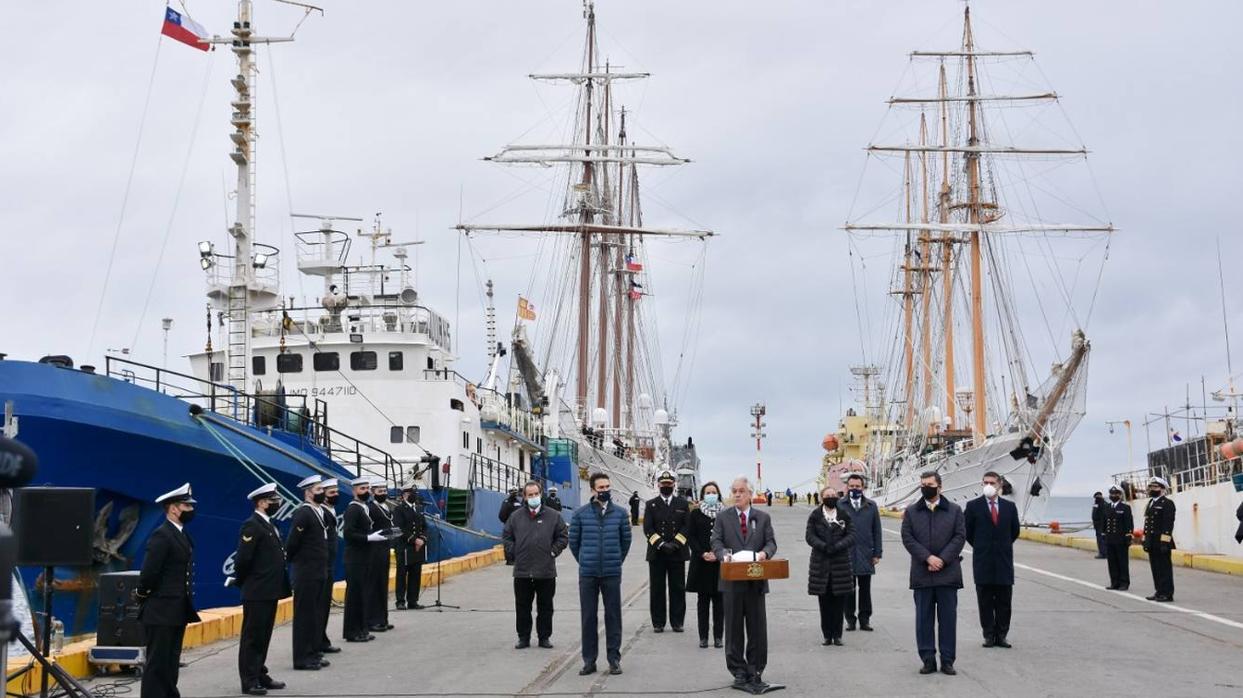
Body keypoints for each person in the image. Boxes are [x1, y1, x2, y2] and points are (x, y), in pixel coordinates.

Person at [711, 476, 780, 693]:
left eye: (742, 491)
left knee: (757, 629)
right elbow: (716, 541)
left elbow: (771, 542)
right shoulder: (723, 517)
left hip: (756, 581)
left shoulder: (763, 518)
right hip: (732, 581)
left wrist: (764, 553)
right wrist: (723, 555)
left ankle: (756, 671)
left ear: (750, 494)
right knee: (733, 630)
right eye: (734, 491)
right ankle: (738, 672)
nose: (737, 494)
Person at [136, 483, 200, 698]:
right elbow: (149, 573)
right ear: (173, 508)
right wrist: (141, 594)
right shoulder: (162, 535)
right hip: (161, 609)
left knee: (171, 660)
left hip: (176, 609)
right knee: (157, 662)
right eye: (187, 506)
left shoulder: (180, 534)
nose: (191, 510)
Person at [900, 471, 966, 677]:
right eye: (923, 484)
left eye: (929, 484)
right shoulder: (911, 512)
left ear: (940, 487)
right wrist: (928, 558)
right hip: (922, 573)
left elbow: (959, 537)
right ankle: (928, 659)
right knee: (923, 620)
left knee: (948, 620)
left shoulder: (955, 511)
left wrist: (942, 560)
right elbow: (907, 538)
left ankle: (947, 660)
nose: (925, 487)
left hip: (948, 574)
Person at [568, 473, 632, 676]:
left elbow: (626, 542)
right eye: (601, 487)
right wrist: (585, 560)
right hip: (588, 573)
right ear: (593, 490)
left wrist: (615, 560)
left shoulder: (621, 514)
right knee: (588, 617)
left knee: (613, 616)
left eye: (607, 486)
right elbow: (573, 542)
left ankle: (614, 659)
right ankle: (589, 660)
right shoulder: (580, 514)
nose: (605, 490)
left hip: (612, 572)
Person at [233, 483, 292, 696]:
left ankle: (259, 672)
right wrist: (245, 582)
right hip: (257, 590)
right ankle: (248, 680)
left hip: (269, 589)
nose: (276, 504)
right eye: (273, 501)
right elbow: (243, 560)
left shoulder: (268, 524)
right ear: (261, 503)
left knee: (264, 634)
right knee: (253, 636)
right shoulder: (252, 526)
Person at [503, 480, 569, 649]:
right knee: (522, 606)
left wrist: (553, 551)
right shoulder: (515, 517)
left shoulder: (554, 516)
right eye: (530, 495)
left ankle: (544, 637)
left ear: (541, 494)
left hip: (545, 570)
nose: (533, 497)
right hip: (522, 571)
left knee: (545, 606)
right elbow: (507, 537)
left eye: (536, 494)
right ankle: (523, 637)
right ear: (524, 497)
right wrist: (513, 553)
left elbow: (562, 536)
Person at [964, 471, 1020, 649]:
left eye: (992, 482)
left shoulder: (1009, 507)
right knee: (985, 600)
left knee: (1004, 601)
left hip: (1003, 560)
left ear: (999, 485)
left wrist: (1000, 545)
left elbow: (1014, 531)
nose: (988, 485)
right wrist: (982, 546)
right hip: (983, 560)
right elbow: (968, 532)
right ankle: (988, 635)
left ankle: (1002, 635)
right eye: (985, 482)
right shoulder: (973, 506)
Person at [285, 475, 331, 671]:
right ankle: (302, 658)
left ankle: (313, 653)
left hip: (317, 571)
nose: (322, 493)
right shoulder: (303, 513)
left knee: (313, 614)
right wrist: (300, 564)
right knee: (304, 616)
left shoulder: (318, 512)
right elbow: (292, 543)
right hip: (306, 573)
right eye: (318, 490)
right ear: (308, 492)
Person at [806, 485, 855, 647]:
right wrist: (823, 546)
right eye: (827, 495)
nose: (831, 497)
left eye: (834, 495)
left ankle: (837, 635)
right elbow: (809, 536)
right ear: (821, 498)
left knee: (838, 601)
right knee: (824, 602)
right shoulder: (815, 515)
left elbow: (852, 535)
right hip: (821, 563)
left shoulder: (844, 515)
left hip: (840, 563)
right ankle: (827, 635)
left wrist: (838, 545)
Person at [644, 470, 691, 633]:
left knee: (677, 588)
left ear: (673, 485)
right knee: (657, 589)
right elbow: (648, 528)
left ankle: (677, 622)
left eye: (669, 484)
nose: (666, 487)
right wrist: (662, 544)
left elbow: (687, 527)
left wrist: (675, 544)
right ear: (658, 485)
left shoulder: (683, 504)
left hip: (677, 553)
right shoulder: (651, 504)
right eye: (663, 484)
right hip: (657, 553)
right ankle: (658, 622)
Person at [342, 477, 383, 642]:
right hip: (355, 559)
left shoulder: (363, 508)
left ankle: (362, 629)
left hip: (364, 558)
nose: (366, 491)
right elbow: (348, 533)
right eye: (362, 488)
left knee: (362, 595)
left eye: (367, 488)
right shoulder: (353, 509)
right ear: (354, 491)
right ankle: (352, 632)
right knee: (355, 596)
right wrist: (368, 538)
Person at [686, 482, 725, 649]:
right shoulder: (695, 514)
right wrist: (702, 553)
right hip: (701, 562)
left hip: (719, 563)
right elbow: (691, 536)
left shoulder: (725, 513)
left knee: (719, 602)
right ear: (702, 495)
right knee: (702, 602)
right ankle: (703, 637)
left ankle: (718, 637)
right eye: (708, 492)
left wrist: (718, 554)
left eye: (713, 492)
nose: (711, 494)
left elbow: (728, 536)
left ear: (718, 494)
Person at [843, 473, 882, 631]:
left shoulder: (871, 506)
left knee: (865, 589)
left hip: (866, 553)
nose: (854, 489)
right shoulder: (840, 505)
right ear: (847, 487)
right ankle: (850, 619)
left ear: (863, 487)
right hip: (847, 553)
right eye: (851, 486)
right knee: (848, 589)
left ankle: (865, 619)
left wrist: (877, 553)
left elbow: (877, 531)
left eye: (857, 486)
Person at [366, 479, 396, 632]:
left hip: (384, 549)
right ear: (372, 492)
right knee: (373, 586)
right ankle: (372, 620)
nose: (383, 494)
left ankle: (383, 618)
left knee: (382, 585)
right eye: (380, 492)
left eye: (384, 491)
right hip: (374, 550)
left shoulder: (385, 507)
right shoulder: (371, 508)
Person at [392, 482, 428, 610]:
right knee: (402, 574)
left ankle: (413, 600)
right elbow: (398, 528)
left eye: (414, 493)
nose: (413, 495)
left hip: (417, 547)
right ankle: (400, 601)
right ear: (404, 495)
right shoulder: (399, 509)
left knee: (416, 573)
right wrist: (414, 540)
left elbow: (424, 526)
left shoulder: (418, 509)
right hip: (404, 546)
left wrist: (422, 538)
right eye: (410, 493)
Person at [317, 480, 343, 657]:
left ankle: (322, 639)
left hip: (328, 564)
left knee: (324, 605)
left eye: (336, 492)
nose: (336, 495)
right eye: (331, 493)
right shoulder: (321, 512)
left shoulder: (330, 511)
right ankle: (317, 642)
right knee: (318, 606)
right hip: (321, 565)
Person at [1143, 476, 1176, 602]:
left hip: (1162, 542)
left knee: (1164, 568)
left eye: (1155, 487)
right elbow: (1147, 524)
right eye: (1151, 487)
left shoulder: (1167, 504)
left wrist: (1164, 542)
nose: (1152, 489)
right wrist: (1145, 539)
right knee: (1155, 568)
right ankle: (1159, 591)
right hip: (1152, 541)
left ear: (1163, 489)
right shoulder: (1151, 503)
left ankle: (1167, 593)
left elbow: (1168, 524)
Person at [1102, 485, 1133, 590]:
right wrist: (1103, 534)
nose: (1113, 495)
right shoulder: (1106, 507)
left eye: (1116, 494)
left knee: (1122, 562)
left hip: (1121, 539)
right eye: (1112, 494)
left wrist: (1129, 536)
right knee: (1112, 562)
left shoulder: (1125, 508)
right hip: (1110, 539)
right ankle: (1114, 582)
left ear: (1120, 495)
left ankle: (1124, 583)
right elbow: (1104, 523)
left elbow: (1129, 523)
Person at [1091, 491, 1108, 559]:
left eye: (1097, 497)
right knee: (1102, 539)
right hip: (1099, 525)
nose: (1096, 498)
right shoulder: (1099, 503)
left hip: (1101, 525)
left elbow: (1104, 515)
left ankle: (1103, 553)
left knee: (1101, 540)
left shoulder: (1102, 504)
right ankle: (1103, 552)